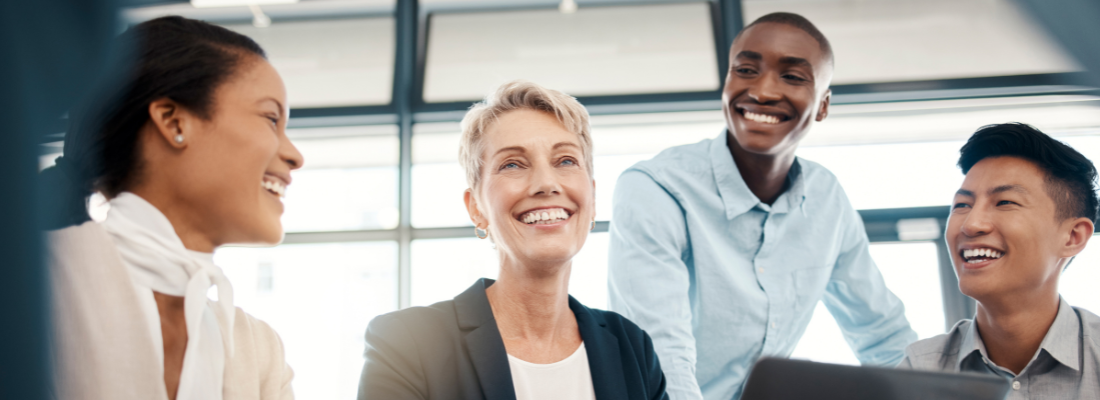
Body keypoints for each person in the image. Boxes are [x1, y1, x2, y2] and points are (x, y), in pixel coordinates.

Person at [607, 12, 917, 400]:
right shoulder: (656, 188)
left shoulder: (826, 200)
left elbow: (883, 335)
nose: (764, 91)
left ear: (822, 105)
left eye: (792, 76)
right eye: (747, 70)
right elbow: (662, 354)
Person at [41, 16, 300, 400]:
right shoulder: (33, 280)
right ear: (173, 121)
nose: (295, 155)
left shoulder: (258, 352)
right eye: (270, 118)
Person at [357, 81, 667, 400]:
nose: (546, 183)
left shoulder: (632, 347)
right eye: (513, 164)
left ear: (592, 196)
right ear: (476, 208)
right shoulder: (408, 343)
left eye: (565, 161)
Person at [898, 123, 1100, 399]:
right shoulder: (919, 370)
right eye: (962, 205)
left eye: (1005, 202)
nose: (971, 224)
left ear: (1072, 237)